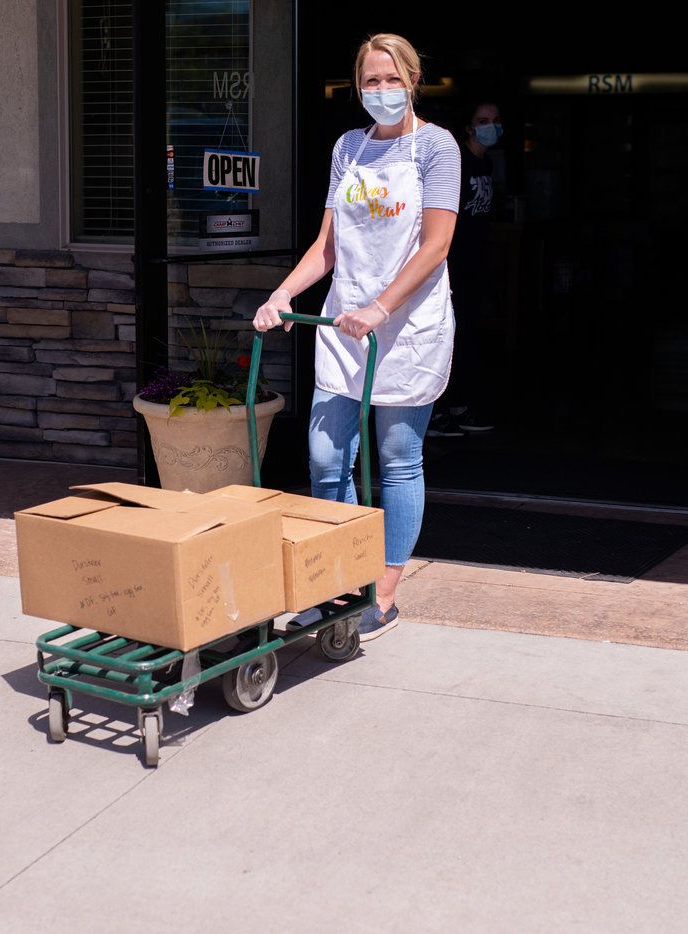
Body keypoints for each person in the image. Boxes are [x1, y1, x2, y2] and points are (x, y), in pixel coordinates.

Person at [254, 33, 459, 641]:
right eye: (371, 81)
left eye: (392, 79)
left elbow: (437, 245)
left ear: (413, 81)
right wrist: (282, 294)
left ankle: (383, 594)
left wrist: (380, 306)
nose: (382, 91)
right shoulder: (348, 148)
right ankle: (336, 579)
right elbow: (328, 246)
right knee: (324, 460)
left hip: (408, 326)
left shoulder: (437, 148)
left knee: (397, 460)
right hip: (345, 326)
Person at [427, 100, 502, 437]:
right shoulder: (458, 164)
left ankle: (457, 404)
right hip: (451, 266)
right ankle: (436, 411)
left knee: (468, 336)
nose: (491, 126)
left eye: (496, 120)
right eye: (483, 120)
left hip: (475, 265)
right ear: (469, 127)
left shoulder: (486, 166)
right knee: (446, 337)